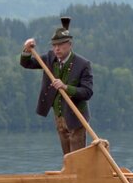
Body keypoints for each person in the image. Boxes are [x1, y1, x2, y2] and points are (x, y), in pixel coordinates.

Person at [20, 17, 93, 155]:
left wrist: (66, 87)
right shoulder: (49, 58)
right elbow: (26, 63)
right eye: (54, 45)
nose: (57, 48)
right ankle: (68, 169)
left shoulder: (83, 64)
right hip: (59, 116)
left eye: (60, 45)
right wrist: (27, 50)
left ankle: (79, 169)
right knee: (67, 156)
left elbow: (87, 92)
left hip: (77, 118)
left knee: (76, 157)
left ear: (70, 45)